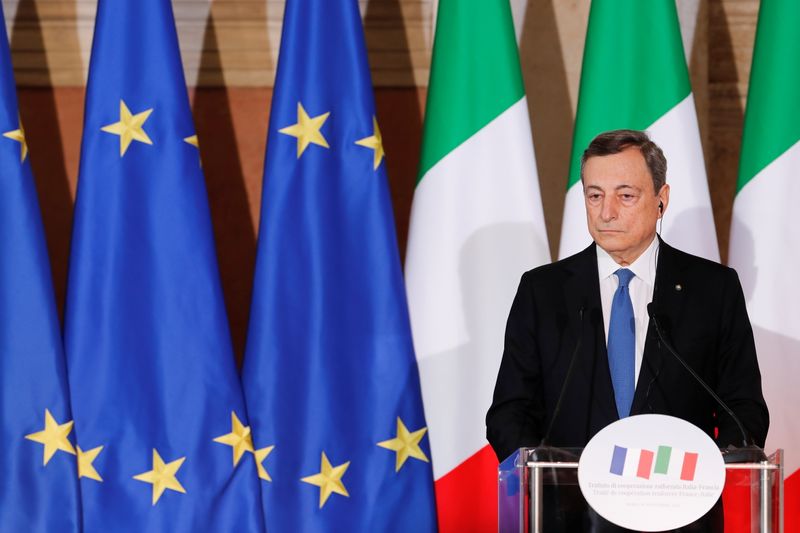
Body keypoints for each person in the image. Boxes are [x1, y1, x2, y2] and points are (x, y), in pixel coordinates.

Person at [486, 129, 769, 532]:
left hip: (679, 516)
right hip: (571, 516)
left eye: (625, 195)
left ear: (661, 200)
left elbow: (746, 412)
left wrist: (701, 470)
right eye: (595, 195)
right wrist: (550, 476)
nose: (606, 212)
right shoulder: (543, 291)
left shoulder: (713, 289)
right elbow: (508, 413)